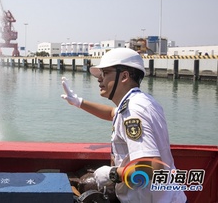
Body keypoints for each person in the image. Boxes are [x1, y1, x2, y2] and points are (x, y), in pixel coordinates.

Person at [61, 48, 187, 202]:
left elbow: (153, 167)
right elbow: (111, 113)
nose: (99, 79)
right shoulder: (141, 101)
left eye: (105, 73)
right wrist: (79, 102)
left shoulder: (133, 110)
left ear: (125, 76)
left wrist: (112, 173)